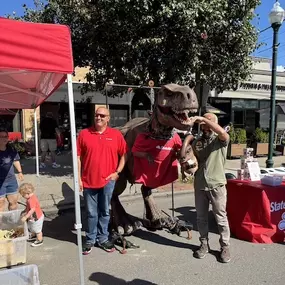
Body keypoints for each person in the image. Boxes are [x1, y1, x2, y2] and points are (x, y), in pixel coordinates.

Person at [77, 107, 128, 255]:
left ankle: (103, 238)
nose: (98, 117)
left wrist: (117, 172)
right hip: (88, 181)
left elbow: (124, 154)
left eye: (102, 115)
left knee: (105, 211)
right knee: (92, 213)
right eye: (96, 115)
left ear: (108, 118)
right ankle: (90, 239)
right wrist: (78, 178)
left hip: (108, 181)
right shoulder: (84, 134)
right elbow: (78, 157)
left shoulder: (115, 135)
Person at [191, 113, 231, 263]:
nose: (205, 127)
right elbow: (195, 161)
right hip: (200, 184)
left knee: (220, 217)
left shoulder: (221, 140)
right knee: (201, 218)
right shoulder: (197, 142)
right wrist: (188, 166)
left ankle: (225, 246)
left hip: (217, 184)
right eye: (203, 125)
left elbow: (221, 132)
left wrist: (202, 119)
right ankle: (204, 244)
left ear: (215, 123)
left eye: (208, 123)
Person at [0, 128, 24, 212]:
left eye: (5, 136)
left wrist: (20, 172)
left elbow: (15, 160)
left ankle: (12, 221)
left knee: (13, 202)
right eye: (1, 137)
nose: (4, 138)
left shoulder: (11, 149)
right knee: (1, 203)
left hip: (11, 180)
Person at [19, 183, 44, 247]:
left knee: (37, 230)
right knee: (32, 227)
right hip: (33, 217)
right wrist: (25, 211)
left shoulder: (31, 200)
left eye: (23, 195)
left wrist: (25, 217)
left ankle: (39, 240)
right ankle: (33, 235)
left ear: (27, 193)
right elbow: (28, 207)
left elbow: (32, 209)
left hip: (36, 218)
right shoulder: (29, 198)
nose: (22, 197)